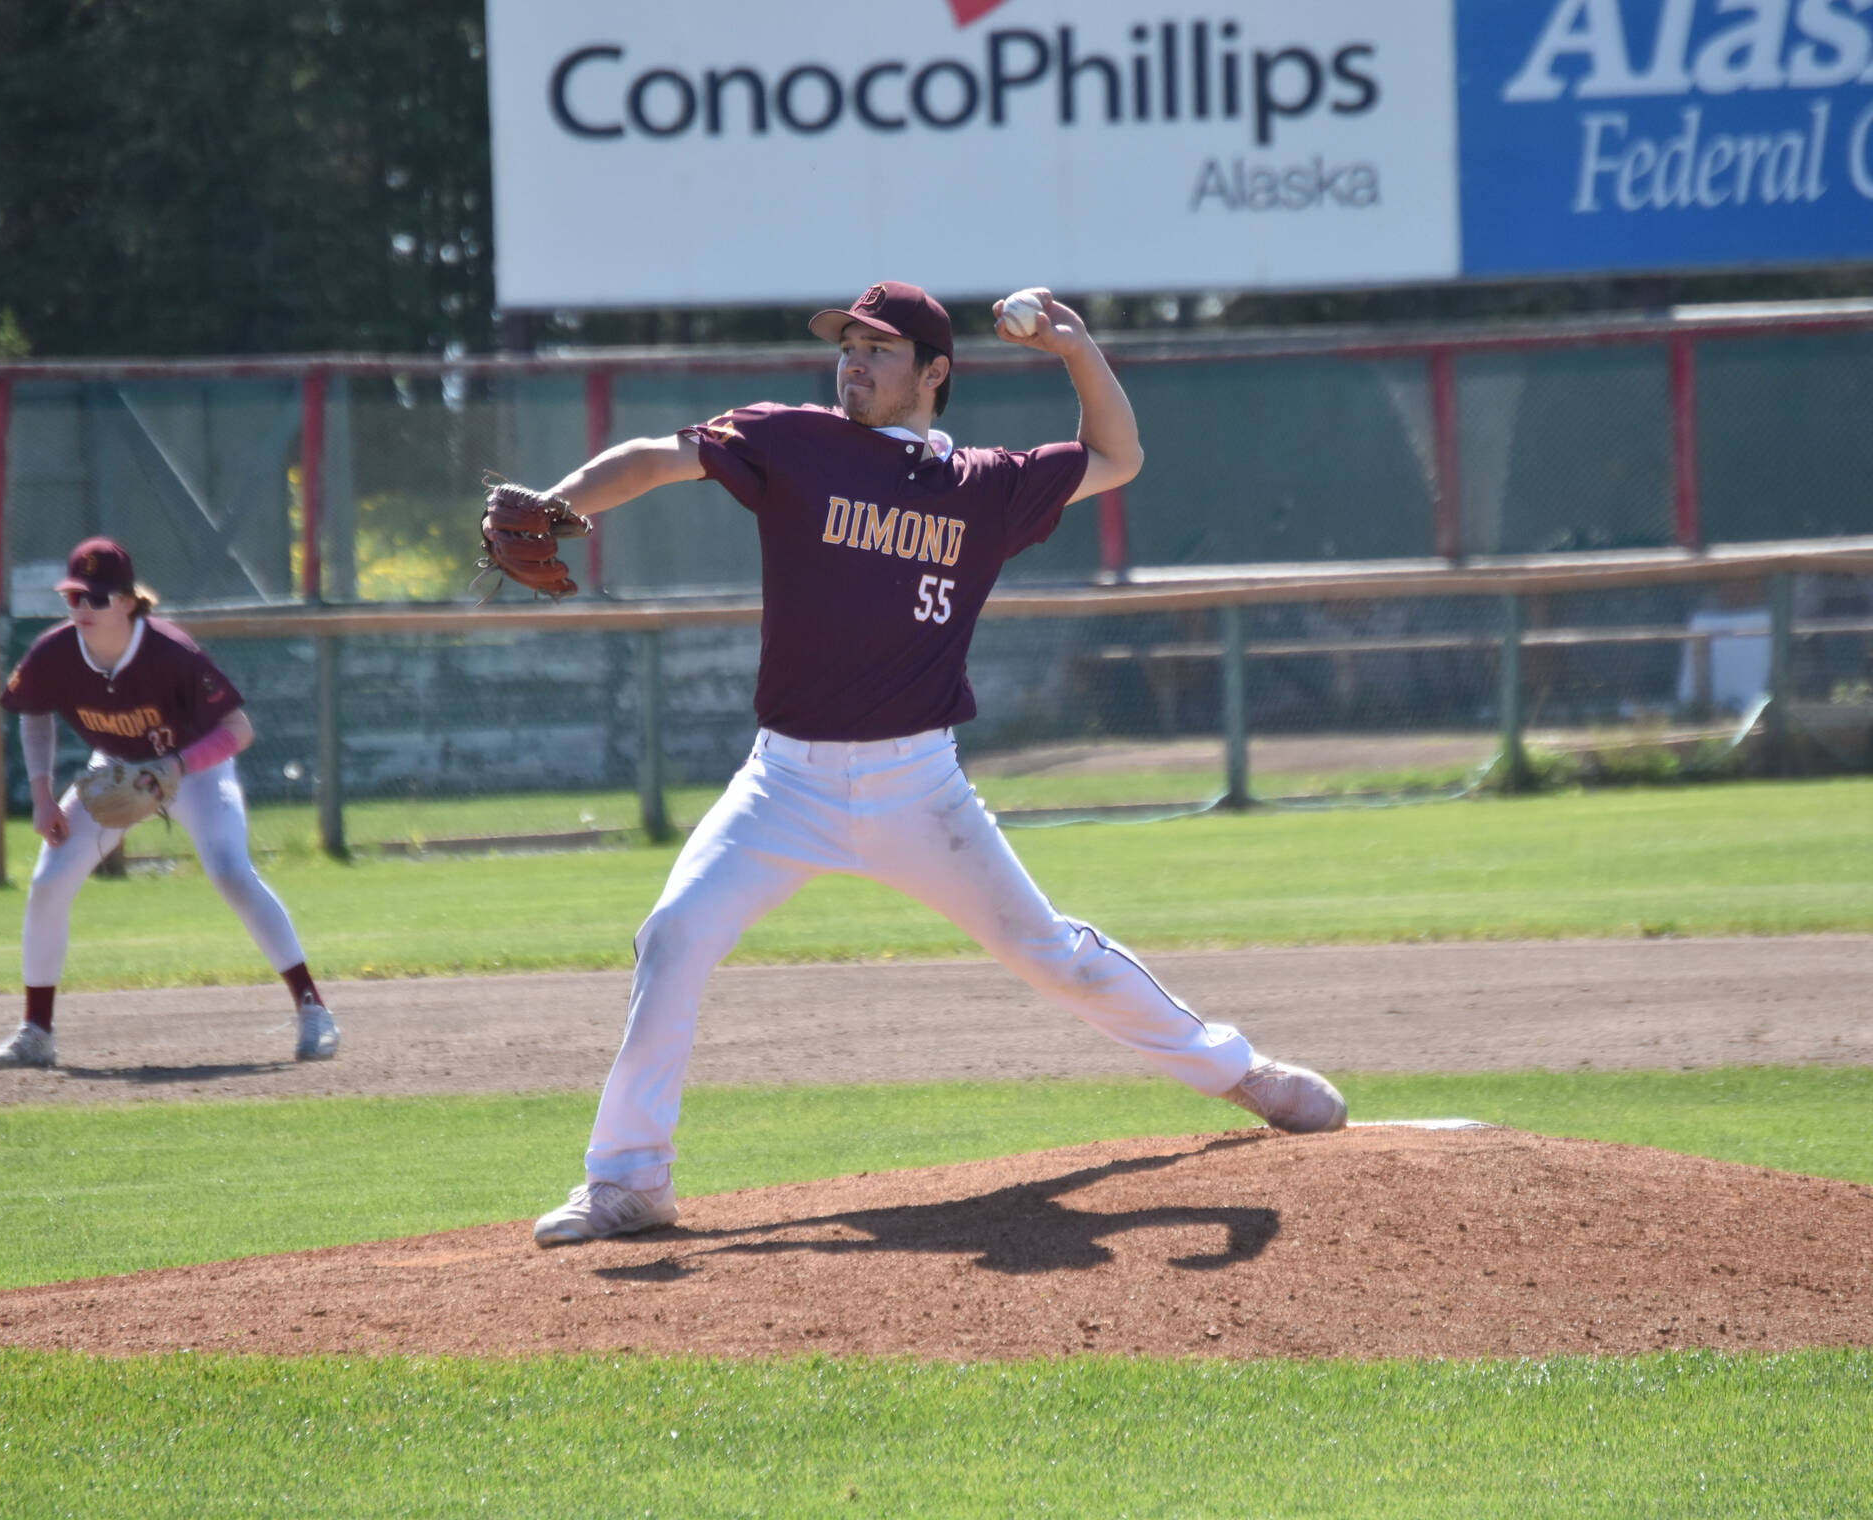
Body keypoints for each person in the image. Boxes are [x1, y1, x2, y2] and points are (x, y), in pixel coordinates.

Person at [512, 281, 1345, 1246]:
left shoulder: (983, 486)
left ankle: (1242, 1074)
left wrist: (1075, 347)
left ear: (933, 373)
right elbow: (658, 458)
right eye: (847, 346)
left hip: (921, 787)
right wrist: (558, 503)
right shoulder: (792, 439)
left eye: (877, 349)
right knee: (674, 936)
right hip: (785, 782)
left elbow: (1120, 456)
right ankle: (627, 1183)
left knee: (1054, 956)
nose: (852, 363)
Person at [0, 537, 338, 1068]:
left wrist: (174, 767)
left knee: (231, 872)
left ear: (126, 601)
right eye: (73, 597)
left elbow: (238, 729)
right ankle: (36, 1031)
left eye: (95, 599)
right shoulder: (54, 652)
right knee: (50, 882)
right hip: (118, 771)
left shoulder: (172, 653)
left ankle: (314, 1009)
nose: (81, 609)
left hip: (193, 768)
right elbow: (33, 712)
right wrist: (42, 795)